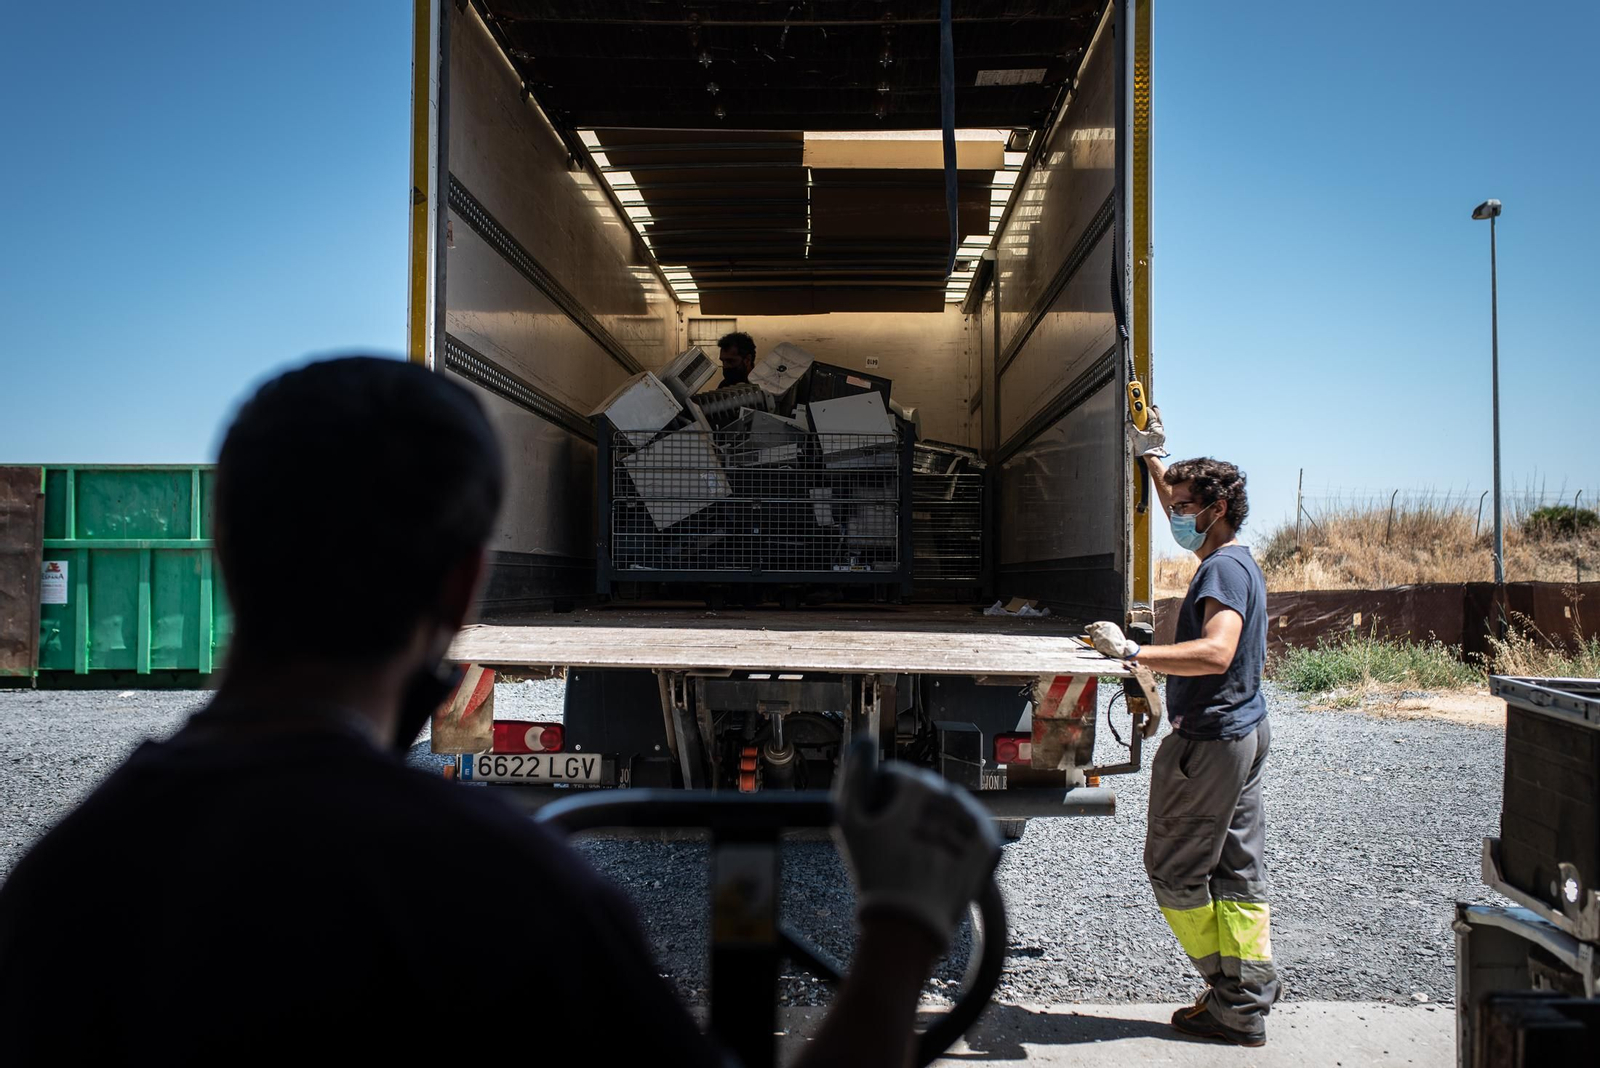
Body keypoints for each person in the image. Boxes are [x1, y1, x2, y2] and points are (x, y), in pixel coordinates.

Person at [0, 356, 1001, 1065]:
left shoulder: (59, 888)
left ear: (224, 557)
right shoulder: (501, 896)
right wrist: (903, 933)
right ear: (465, 582)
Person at [1086, 409, 1279, 1048]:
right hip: (1244, 732)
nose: (1175, 516)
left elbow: (1218, 651)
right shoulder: (1237, 559)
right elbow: (1178, 495)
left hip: (1211, 741)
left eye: (1184, 506)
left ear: (1217, 507)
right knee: (1236, 873)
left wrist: (1132, 655)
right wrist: (1152, 455)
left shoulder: (1221, 570)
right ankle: (1246, 1001)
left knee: (1174, 870)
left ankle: (1228, 993)